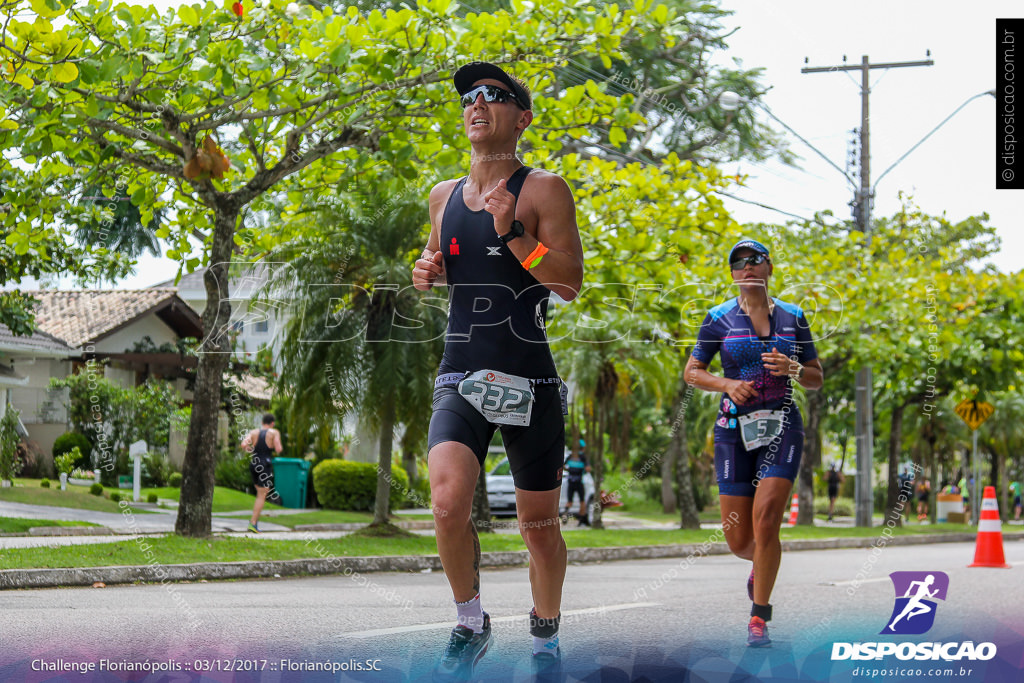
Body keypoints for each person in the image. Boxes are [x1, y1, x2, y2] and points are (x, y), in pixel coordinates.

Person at [411, 61, 584, 679]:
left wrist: (513, 233)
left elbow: (567, 283)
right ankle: (470, 620)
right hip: (461, 372)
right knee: (447, 502)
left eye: (494, 95)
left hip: (529, 381)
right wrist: (427, 272)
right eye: (470, 97)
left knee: (539, 527)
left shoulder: (544, 189)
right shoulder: (442, 196)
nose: (477, 103)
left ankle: (545, 635)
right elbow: (447, 264)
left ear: (522, 117)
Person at [684, 238, 823, 648]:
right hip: (733, 430)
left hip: (782, 426)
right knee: (740, 540)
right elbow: (692, 372)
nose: (747, 267)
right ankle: (761, 563)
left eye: (755, 260)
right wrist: (726, 383)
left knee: (767, 522)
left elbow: (816, 377)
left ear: (769, 268)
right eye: (738, 262)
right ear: (732, 274)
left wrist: (795, 367)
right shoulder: (717, 318)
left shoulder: (794, 318)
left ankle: (759, 617)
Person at [239, 413, 282, 533]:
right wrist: (273, 445)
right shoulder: (274, 432)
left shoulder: (253, 432)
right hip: (265, 465)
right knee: (261, 496)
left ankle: (254, 523)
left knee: (260, 494)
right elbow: (278, 449)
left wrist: (251, 450)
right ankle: (253, 523)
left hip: (254, 464)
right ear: (272, 423)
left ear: (263, 422)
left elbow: (243, 444)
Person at [563, 446, 591, 526]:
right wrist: (583, 469)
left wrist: (570, 470)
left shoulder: (571, 456)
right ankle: (581, 519)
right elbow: (588, 469)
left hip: (571, 481)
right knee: (582, 501)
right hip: (579, 482)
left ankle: (565, 513)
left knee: (569, 501)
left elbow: (564, 466)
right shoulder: (582, 457)